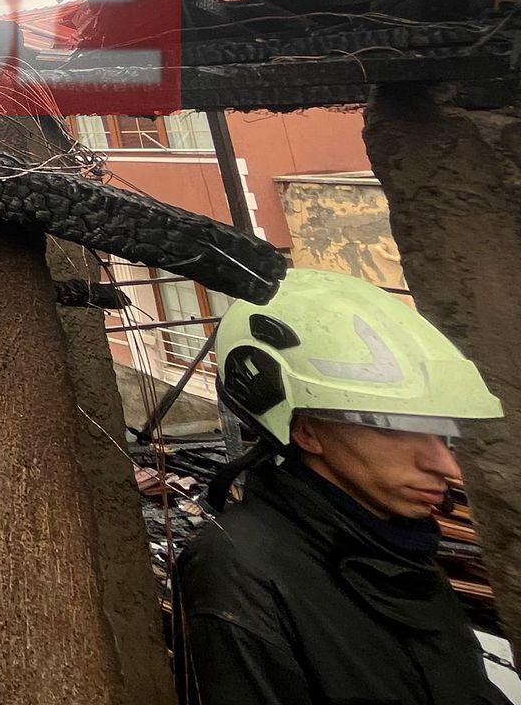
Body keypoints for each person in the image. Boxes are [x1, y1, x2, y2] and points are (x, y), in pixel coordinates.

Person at [174, 266, 508, 704]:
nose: (446, 466)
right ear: (307, 432)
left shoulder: (394, 540)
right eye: (395, 430)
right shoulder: (239, 574)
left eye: (443, 434)